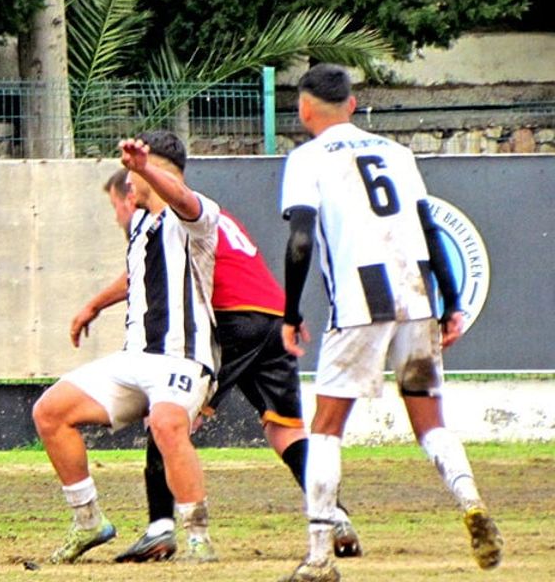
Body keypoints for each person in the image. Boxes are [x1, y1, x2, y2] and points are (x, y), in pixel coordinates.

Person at [278, 64, 503, 582]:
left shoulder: (306, 158)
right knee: (430, 422)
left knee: (327, 429)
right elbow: (428, 230)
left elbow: (301, 240)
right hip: (418, 298)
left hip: (362, 301)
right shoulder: (397, 154)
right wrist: (451, 303)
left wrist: (291, 313)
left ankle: (317, 557)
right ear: (353, 105)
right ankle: (469, 498)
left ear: (304, 108)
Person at [71, 167, 362, 563]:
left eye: (115, 207)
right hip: (271, 316)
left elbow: (138, 277)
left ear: (129, 195)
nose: (119, 217)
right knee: (284, 431)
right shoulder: (211, 214)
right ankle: (336, 516)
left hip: (229, 319)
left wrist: (92, 305)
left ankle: (160, 528)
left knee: (167, 412)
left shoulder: (170, 217)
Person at [31, 131, 220, 565]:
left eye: (136, 173)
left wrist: (144, 168)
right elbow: (136, 276)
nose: (128, 184)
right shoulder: (140, 224)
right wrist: (92, 306)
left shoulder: (197, 213)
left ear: (155, 169)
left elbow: (183, 201)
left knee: (167, 422)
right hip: (135, 358)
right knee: (49, 411)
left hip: (183, 358)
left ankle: (196, 535)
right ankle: (88, 522)